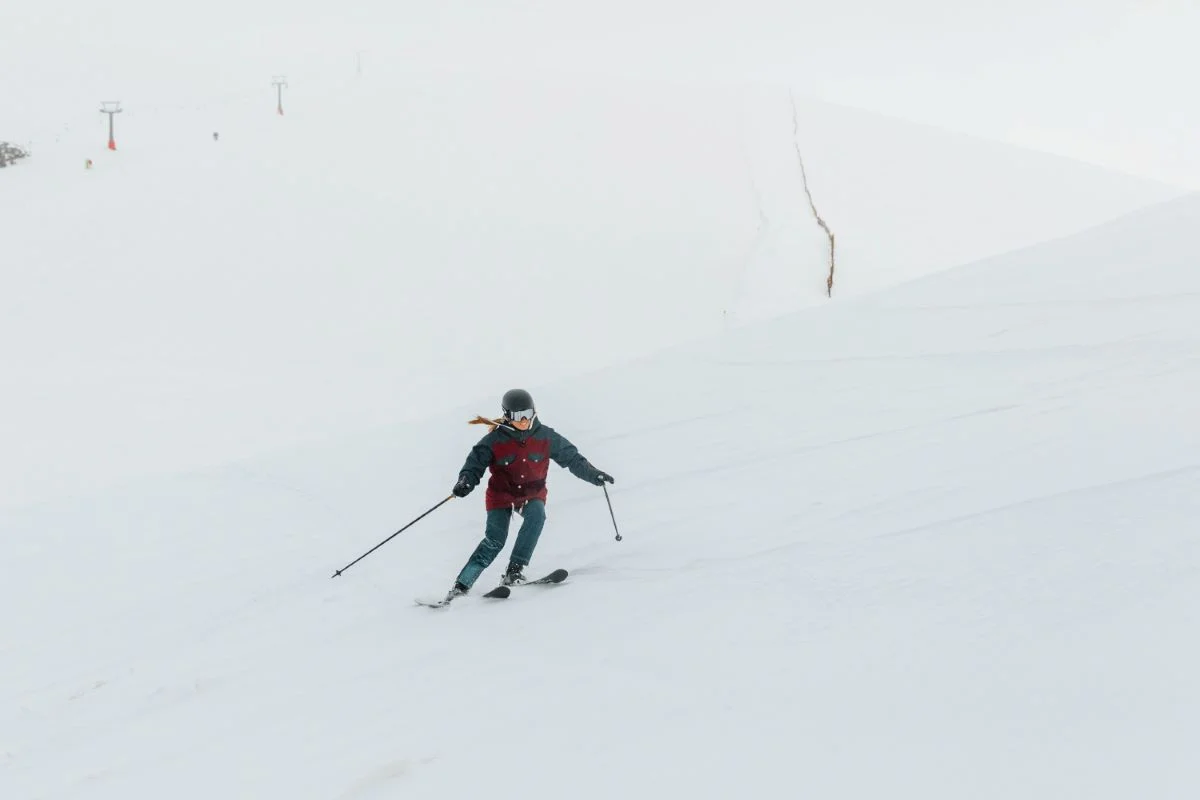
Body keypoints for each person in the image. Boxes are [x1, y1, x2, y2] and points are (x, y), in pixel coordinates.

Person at [447, 388, 613, 599]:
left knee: (537, 515)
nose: (524, 420)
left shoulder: (546, 436)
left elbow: (572, 458)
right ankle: (461, 587)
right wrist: (465, 482)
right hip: (501, 496)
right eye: (517, 416)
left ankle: (514, 572)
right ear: (507, 415)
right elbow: (473, 465)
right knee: (495, 540)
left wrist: (593, 474)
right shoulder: (493, 441)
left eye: (527, 413)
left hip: (531, 494)